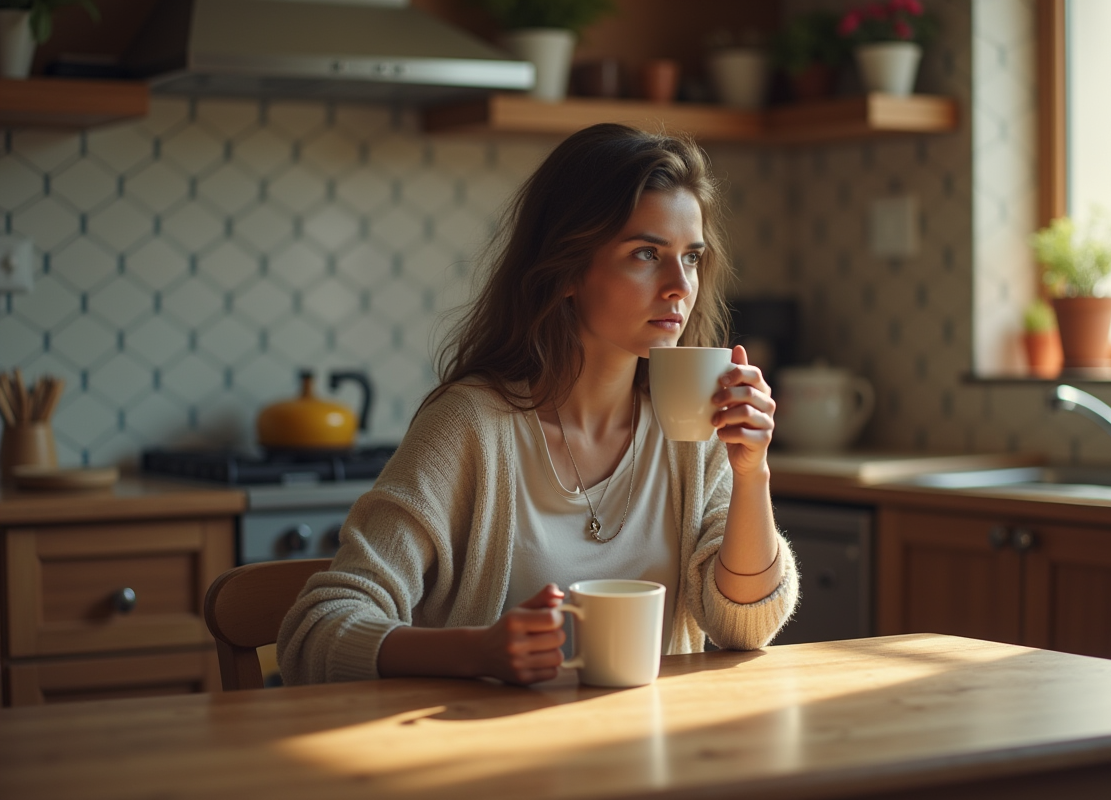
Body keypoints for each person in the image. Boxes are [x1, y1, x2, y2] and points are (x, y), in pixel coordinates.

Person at [277, 123, 800, 686]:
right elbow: (317, 629)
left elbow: (744, 628)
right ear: (568, 268)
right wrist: (476, 653)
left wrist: (752, 473)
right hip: (489, 759)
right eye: (647, 253)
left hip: (651, 757)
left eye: (691, 257)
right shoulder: (472, 426)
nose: (679, 285)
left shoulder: (693, 428)